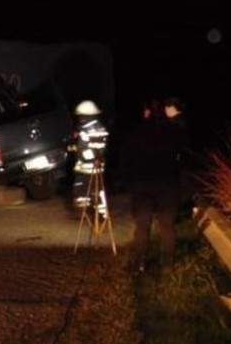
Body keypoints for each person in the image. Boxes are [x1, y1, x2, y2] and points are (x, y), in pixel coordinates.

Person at [121, 97, 191, 273]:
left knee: (142, 226)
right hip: (167, 183)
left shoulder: (136, 132)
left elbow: (127, 159)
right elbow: (183, 158)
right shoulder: (176, 132)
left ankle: (140, 263)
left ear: (147, 113)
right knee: (167, 226)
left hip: (142, 185)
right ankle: (167, 264)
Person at [71, 100, 110, 211]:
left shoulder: (86, 130)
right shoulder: (100, 127)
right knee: (97, 188)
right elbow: (102, 147)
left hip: (87, 166)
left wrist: (75, 150)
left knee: (83, 186)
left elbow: (83, 148)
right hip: (98, 164)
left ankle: (86, 208)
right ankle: (101, 210)